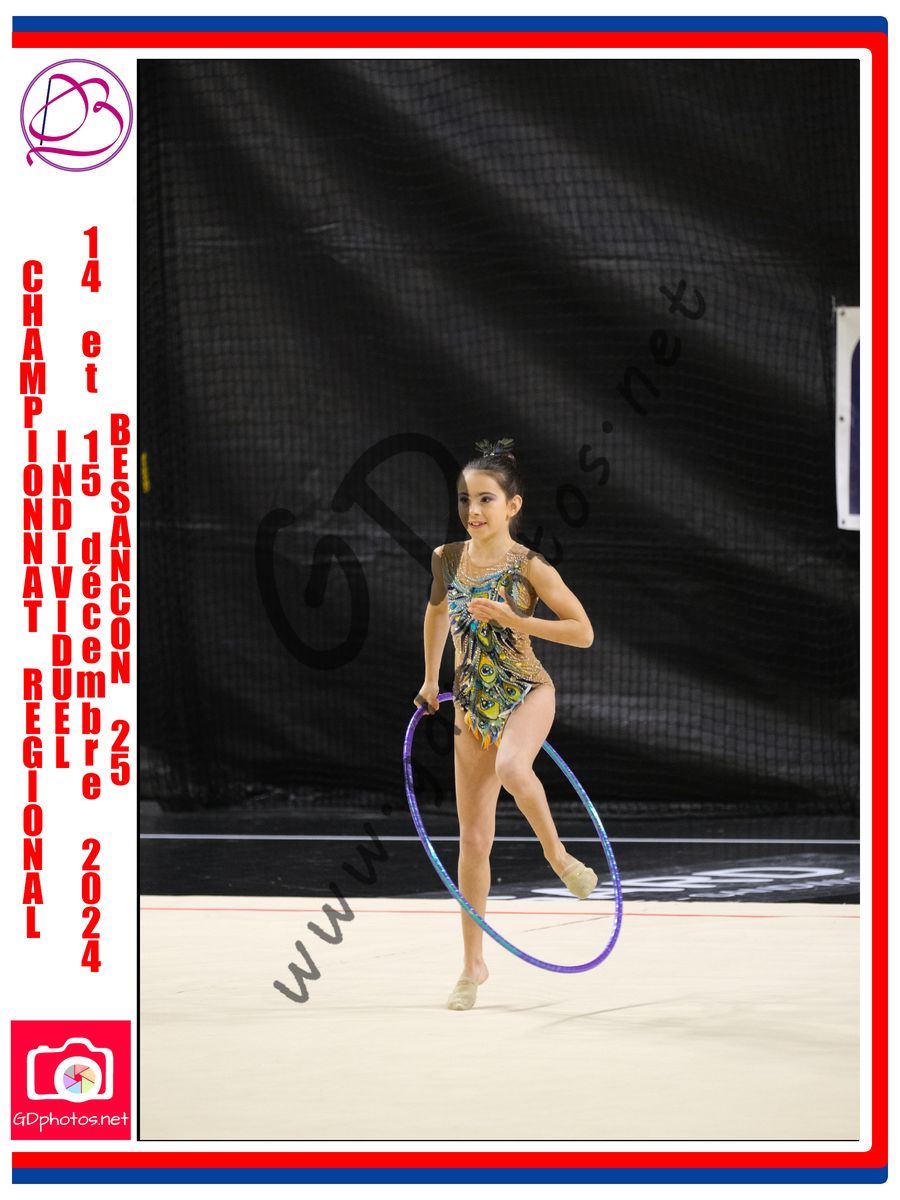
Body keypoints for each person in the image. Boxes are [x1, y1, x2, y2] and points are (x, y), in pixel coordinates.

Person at [415, 436, 597, 1010]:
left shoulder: (529, 566)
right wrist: (430, 678)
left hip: (526, 691)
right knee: (473, 841)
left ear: (512, 506)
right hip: (471, 707)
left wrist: (519, 620)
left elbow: (583, 631)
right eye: (466, 499)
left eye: (486, 499)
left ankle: (558, 856)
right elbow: (436, 613)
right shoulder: (447, 559)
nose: (473, 510)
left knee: (515, 767)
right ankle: (473, 965)